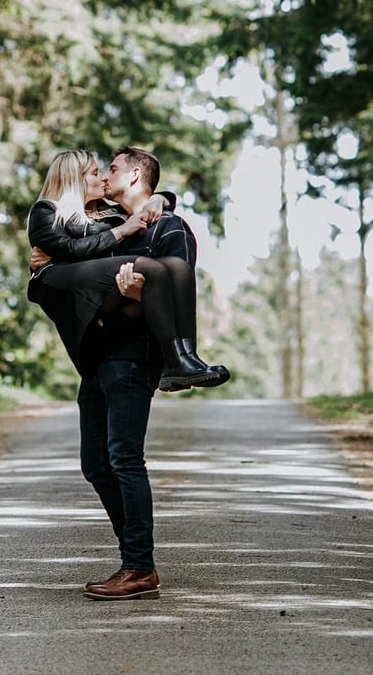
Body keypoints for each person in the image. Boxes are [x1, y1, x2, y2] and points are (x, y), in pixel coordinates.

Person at [27, 146, 229, 601]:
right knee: (96, 465)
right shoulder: (106, 222)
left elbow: (176, 284)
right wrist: (51, 267)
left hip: (133, 357)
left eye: (112, 168)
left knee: (123, 458)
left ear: (136, 174)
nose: (104, 175)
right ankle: (135, 558)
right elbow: (78, 260)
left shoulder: (169, 227)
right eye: (98, 171)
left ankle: (139, 566)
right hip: (97, 356)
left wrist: (139, 293)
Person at [26, 148, 228, 391]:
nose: (103, 178)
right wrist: (121, 231)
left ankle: (184, 357)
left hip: (112, 307)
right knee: (149, 267)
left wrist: (160, 198)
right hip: (77, 297)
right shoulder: (49, 211)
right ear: (75, 178)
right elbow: (68, 248)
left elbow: (150, 200)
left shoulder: (106, 215)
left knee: (175, 267)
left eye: (108, 171)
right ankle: (175, 361)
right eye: (95, 173)